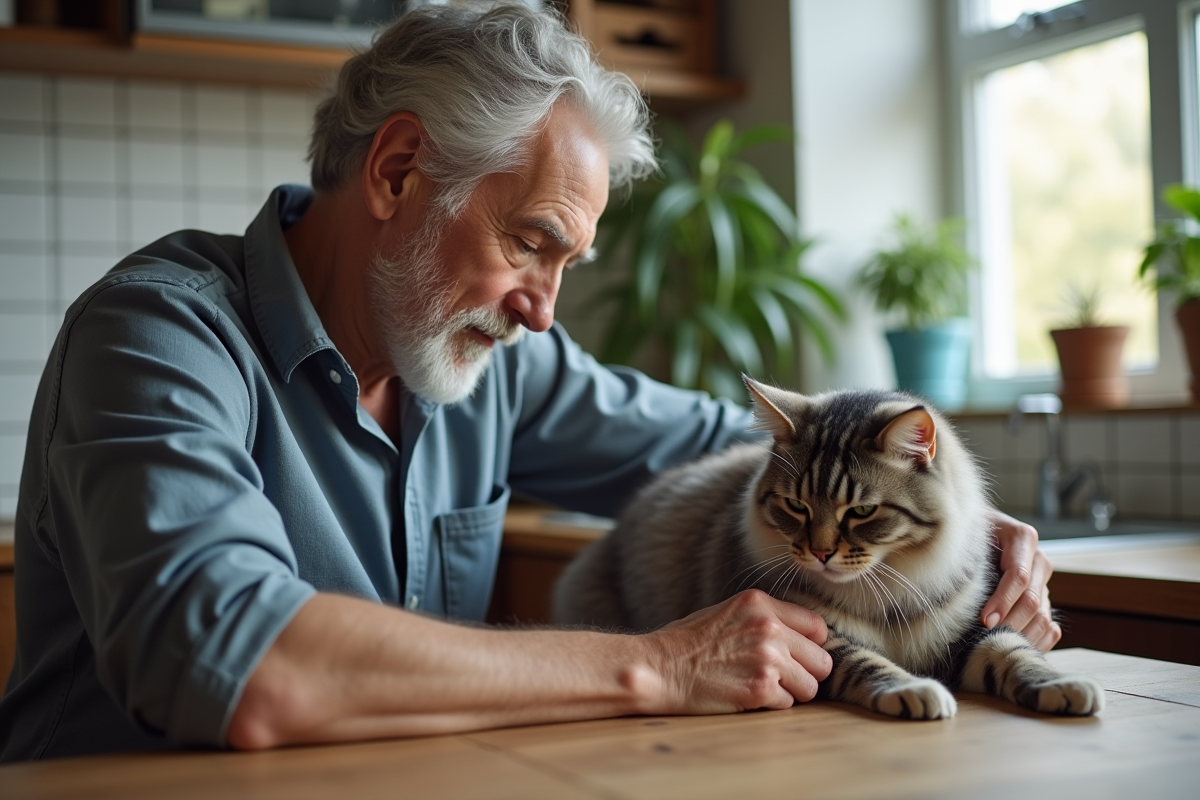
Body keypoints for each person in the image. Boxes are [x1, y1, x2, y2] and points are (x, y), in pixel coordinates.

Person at [0, 4, 1058, 761]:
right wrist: (658, 665)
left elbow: (743, 450)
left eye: (567, 263)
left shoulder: (492, 359)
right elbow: (236, 664)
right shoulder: (157, 336)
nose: (543, 309)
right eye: (531, 242)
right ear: (398, 171)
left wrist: (959, 519)